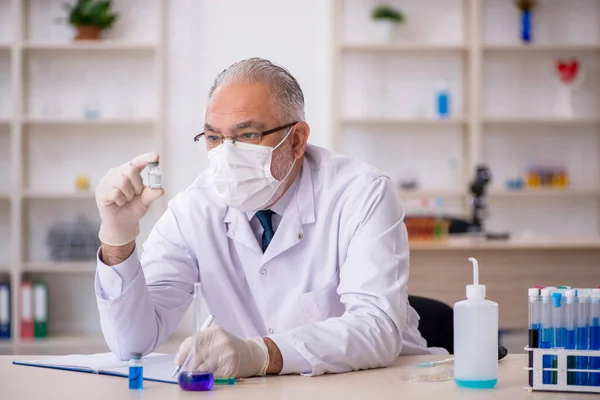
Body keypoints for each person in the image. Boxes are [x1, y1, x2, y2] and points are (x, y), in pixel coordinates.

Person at [94, 58, 444, 379]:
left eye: (247, 135)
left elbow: (376, 329)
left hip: (379, 383)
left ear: (297, 140)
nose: (227, 155)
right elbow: (132, 345)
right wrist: (117, 240)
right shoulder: (192, 210)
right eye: (214, 137)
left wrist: (261, 354)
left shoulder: (361, 193)